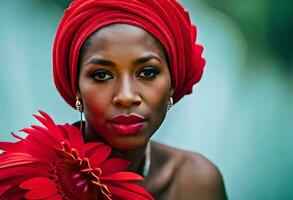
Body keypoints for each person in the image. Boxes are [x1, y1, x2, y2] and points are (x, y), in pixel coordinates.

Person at [1, 0, 226, 199]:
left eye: (147, 72)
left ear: (173, 85)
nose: (126, 96)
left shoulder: (196, 182)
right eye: (102, 75)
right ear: (76, 88)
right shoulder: (28, 178)